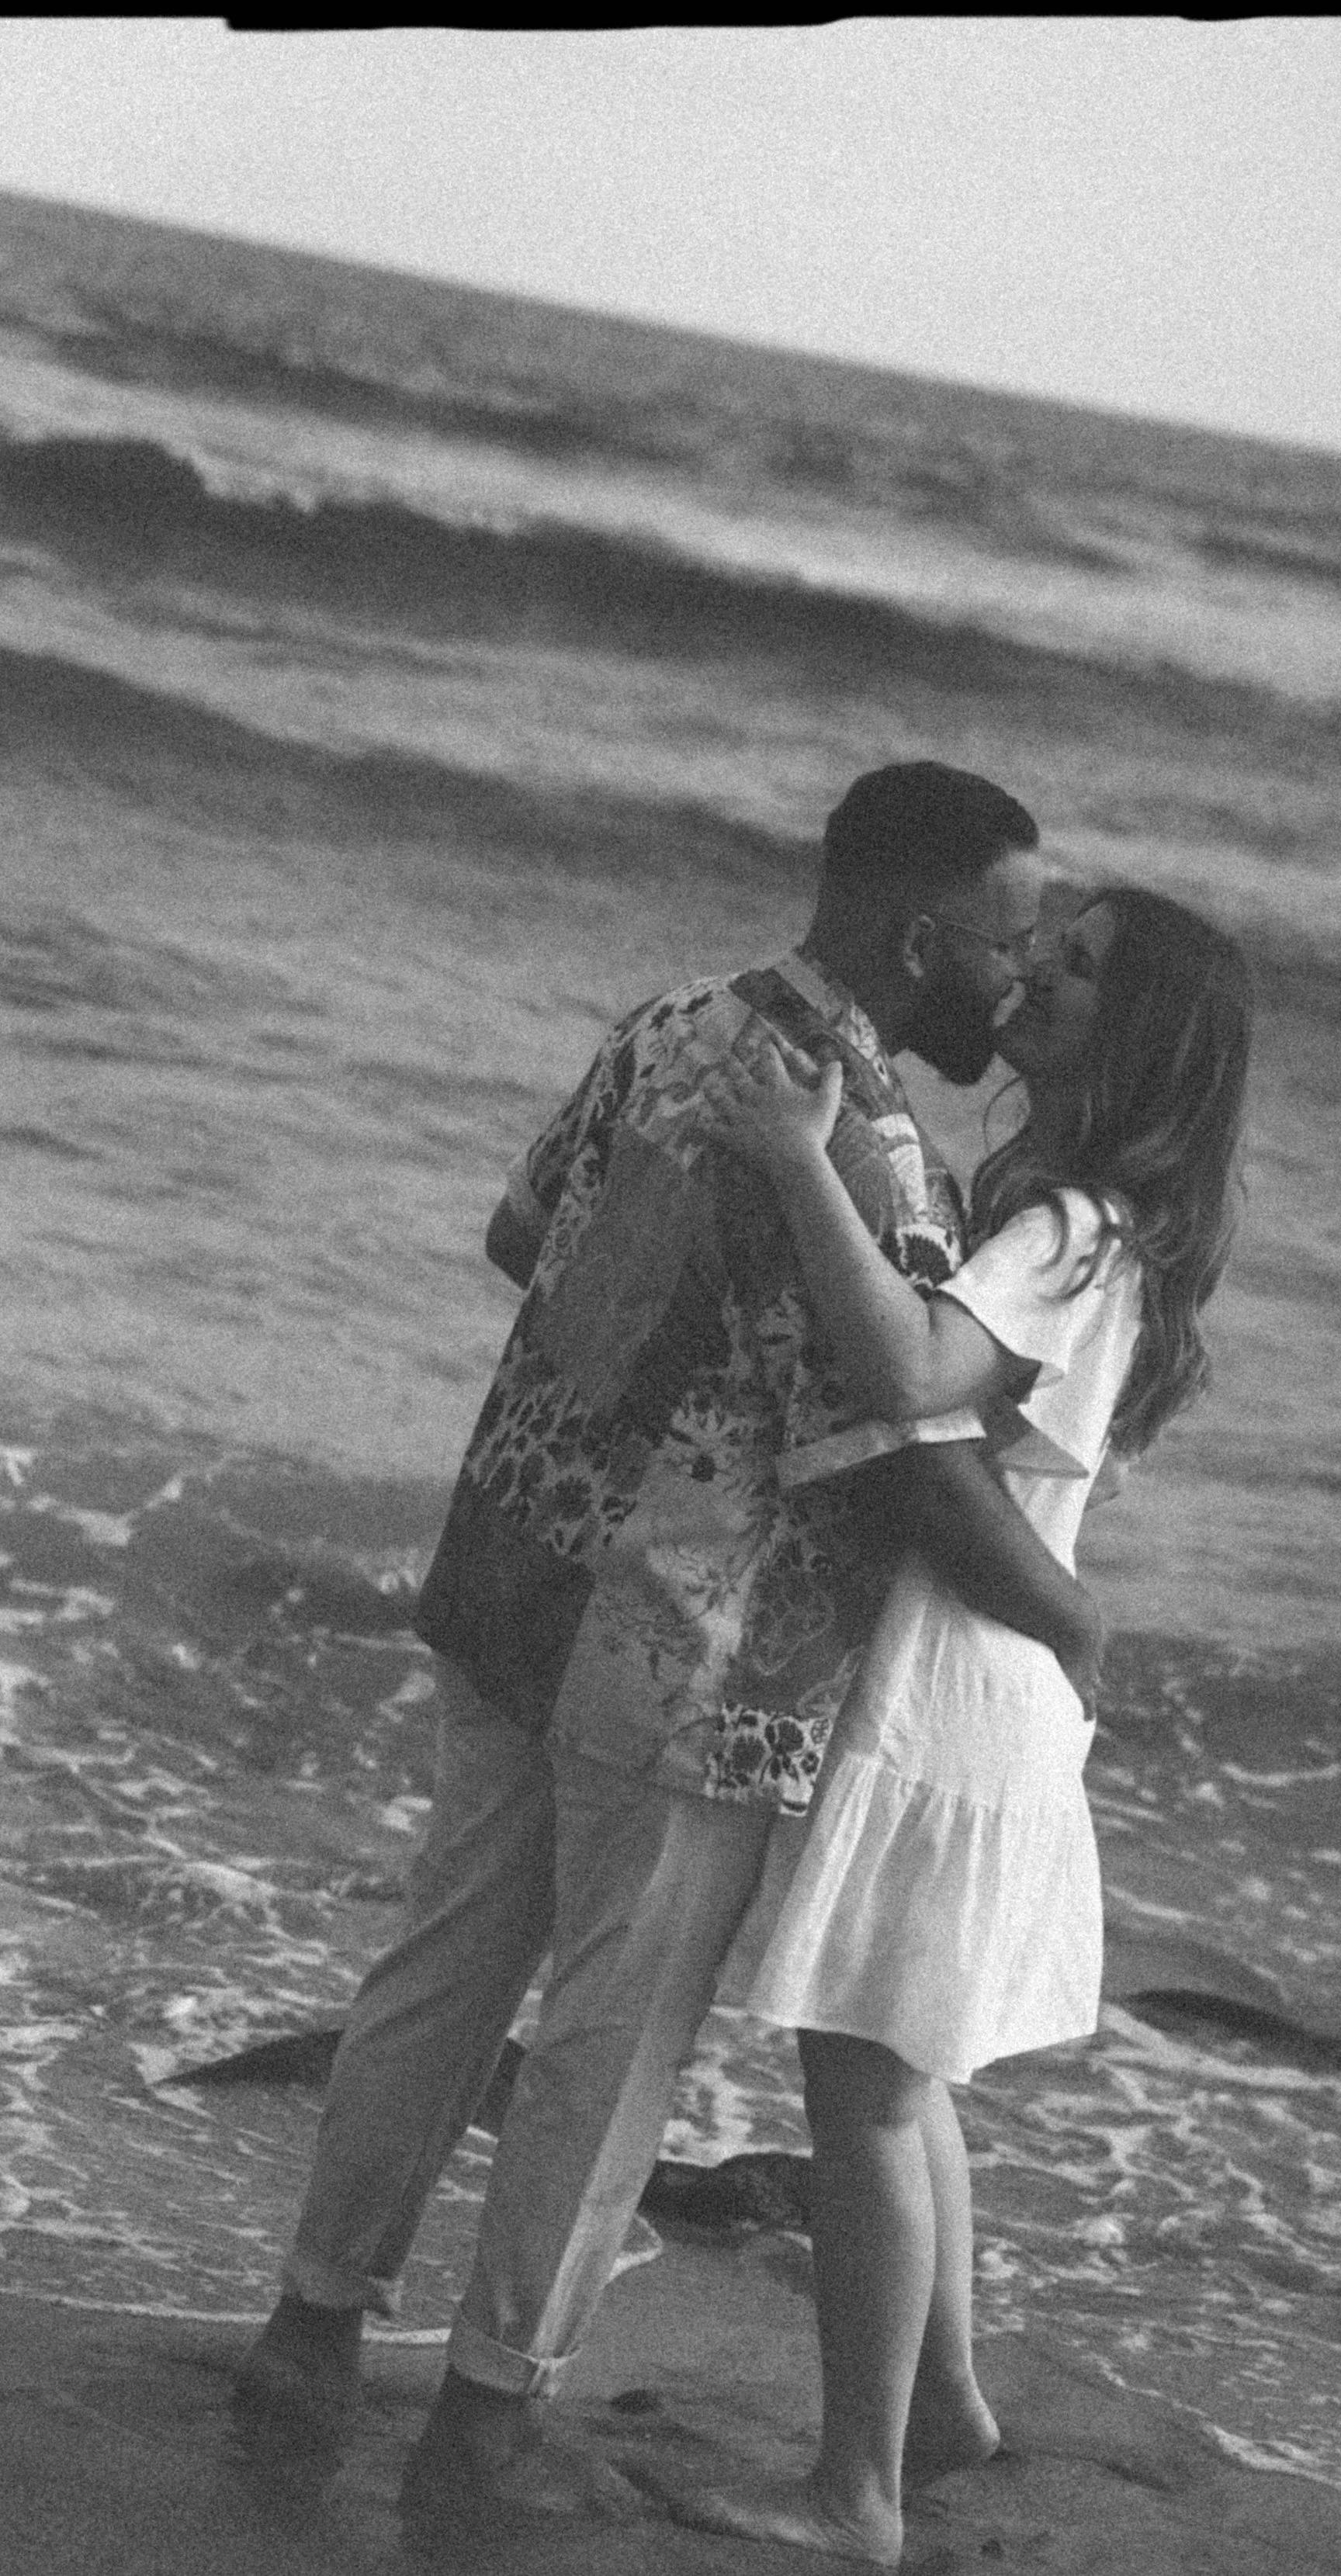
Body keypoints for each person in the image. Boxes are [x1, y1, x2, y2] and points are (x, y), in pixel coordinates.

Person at [232, 763, 1107, 2528]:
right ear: (921, 934)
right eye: (1006, 946)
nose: (1013, 989)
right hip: (690, 1662)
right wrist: (1073, 1619)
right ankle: (484, 2412)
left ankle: (308, 2330)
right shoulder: (876, 1155)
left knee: (439, 1970)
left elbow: (518, 1227)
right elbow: (910, 1463)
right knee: (606, 2048)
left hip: (513, 1573)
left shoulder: (671, 1023)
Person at [679, 885, 1253, 2565]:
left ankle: (854, 2492)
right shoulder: (1082, 1219)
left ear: (1135, 1038)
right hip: (988, 1682)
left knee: (856, 2077)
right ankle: (938, 2407)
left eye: (1074, 970)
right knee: (897, 2063)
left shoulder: (1066, 1223)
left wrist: (796, 1163)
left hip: (955, 1680)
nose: (1031, 977)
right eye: (1043, 946)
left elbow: (912, 1369)